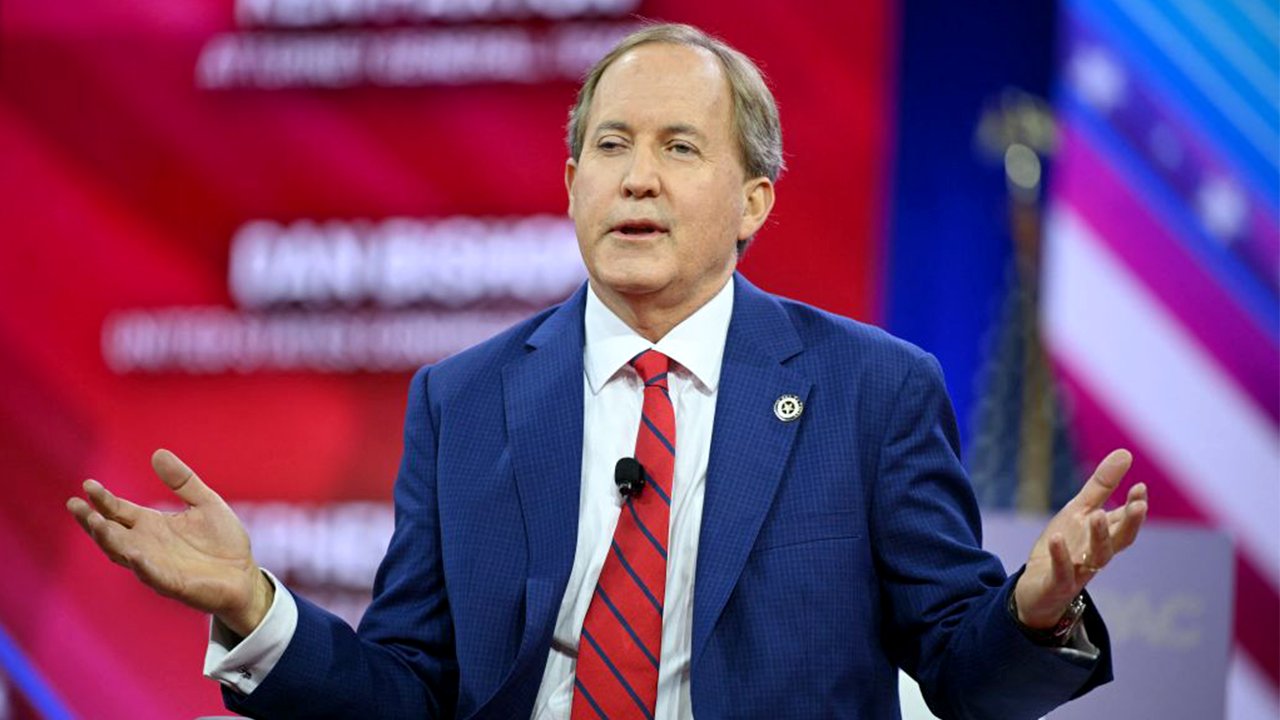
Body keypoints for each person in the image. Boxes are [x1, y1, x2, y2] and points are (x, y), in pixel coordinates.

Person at [66, 23, 1148, 720]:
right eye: (612, 146)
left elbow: (962, 672)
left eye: (679, 147)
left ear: (754, 202)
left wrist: (1035, 609)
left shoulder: (871, 391)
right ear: (571, 182)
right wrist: (255, 606)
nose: (637, 178)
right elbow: (404, 692)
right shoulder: (464, 400)